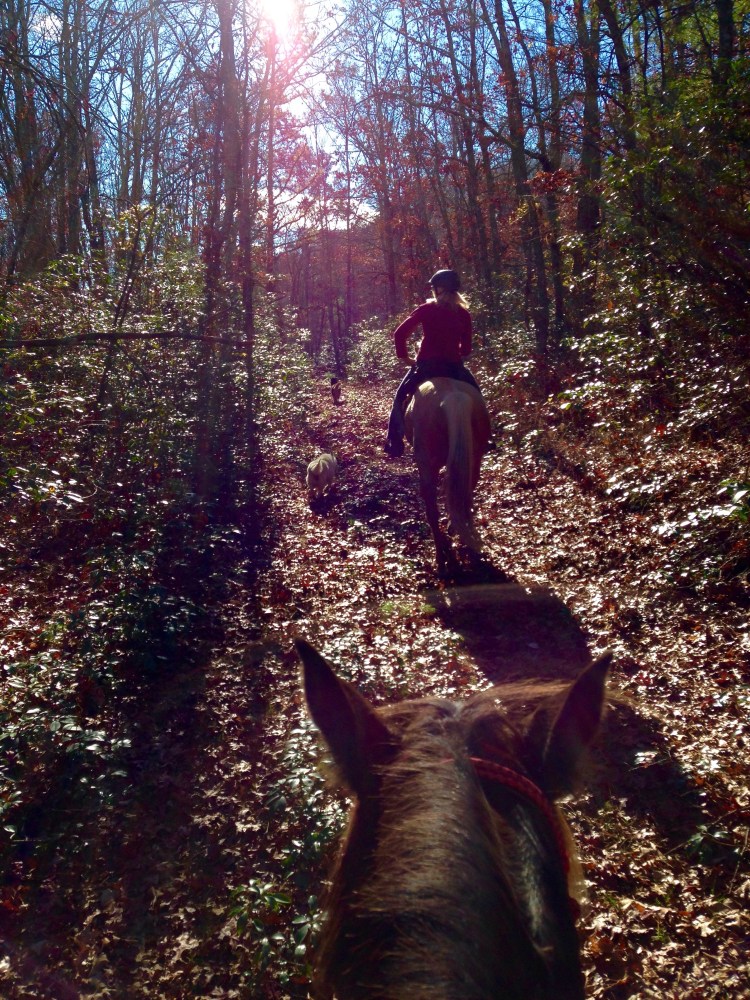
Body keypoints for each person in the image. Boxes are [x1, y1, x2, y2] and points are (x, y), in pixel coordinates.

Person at [383, 269, 482, 457]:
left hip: (426, 367)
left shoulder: (426, 310)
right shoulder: (463, 314)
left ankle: (394, 441)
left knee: (400, 396)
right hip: (453, 368)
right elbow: (466, 350)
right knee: (477, 393)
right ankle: (486, 438)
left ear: (439, 289)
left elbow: (399, 334)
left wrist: (405, 358)